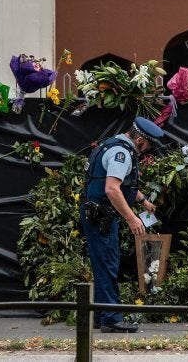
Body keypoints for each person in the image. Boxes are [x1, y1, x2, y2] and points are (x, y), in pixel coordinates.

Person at [80, 117, 164, 333]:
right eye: (148, 146)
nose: (146, 151)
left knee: (102, 264)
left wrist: (143, 200)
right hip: (102, 216)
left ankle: (100, 315)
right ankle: (111, 319)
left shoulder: (111, 144)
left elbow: (123, 185)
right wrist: (131, 218)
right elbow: (112, 189)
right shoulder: (122, 154)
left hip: (97, 214)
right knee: (108, 264)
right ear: (140, 141)